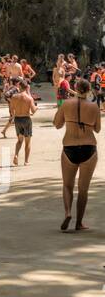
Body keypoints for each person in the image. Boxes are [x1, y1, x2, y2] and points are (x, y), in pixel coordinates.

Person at [54, 77, 100, 231]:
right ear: (88, 90)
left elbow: (57, 124)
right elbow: (98, 129)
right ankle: (79, 223)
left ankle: (67, 213)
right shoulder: (94, 107)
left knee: (67, 185)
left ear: (75, 88)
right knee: (83, 189)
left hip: (69, 148)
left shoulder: (66, 104)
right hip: (89, 149)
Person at [8, 78, 36, 167]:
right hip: (26, 119)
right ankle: (26, 161)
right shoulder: (29, 98)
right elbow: (33, 110)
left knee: (19, 140)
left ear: (19, 87)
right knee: (27, 142)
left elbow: (11, 109)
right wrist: (36, 108)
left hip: (17, 119)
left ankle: (16, 155)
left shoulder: (14, 97)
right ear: (27, 87)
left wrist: (13, 115)